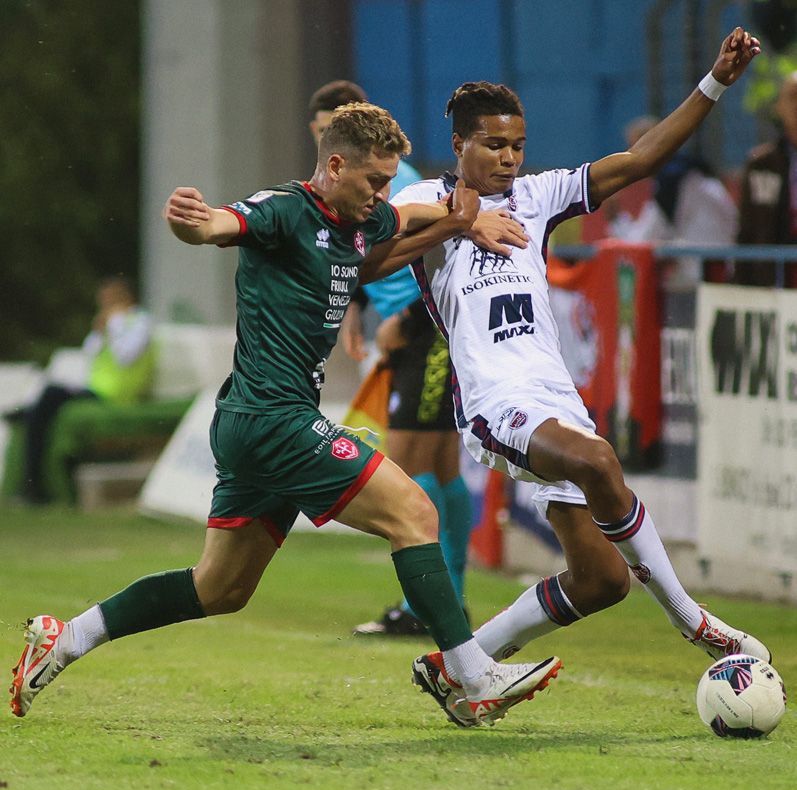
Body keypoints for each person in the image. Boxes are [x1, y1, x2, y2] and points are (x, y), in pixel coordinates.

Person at [9, 101, 560, 727]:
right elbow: (220, 226)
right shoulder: (283, 209)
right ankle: (471, 674)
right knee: (415, 512)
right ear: (334, 165)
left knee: (219, 589)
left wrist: (464, 219)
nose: (383, 194)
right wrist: (192, 223)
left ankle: (68, 636)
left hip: (253, 420)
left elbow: (406, 216)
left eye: (388, 180)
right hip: (275, 418)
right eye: (374, 180)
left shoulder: (363, 216)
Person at [359, 28, 771, 728]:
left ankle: (457, 664)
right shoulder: (428, 199)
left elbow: (640, 159)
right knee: (599, 461)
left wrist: (715, 82)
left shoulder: (539, 195)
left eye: (516, 144)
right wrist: (458, 225)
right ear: (458, 144)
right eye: (493, 145)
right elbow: (369, 261)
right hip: (495, 403)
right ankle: (695, 622)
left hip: (554, 399)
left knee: (601, 578)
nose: (509, 158)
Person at [307, 82, 526, 636]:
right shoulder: (353, 182)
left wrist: (404, 318)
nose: (323, 142)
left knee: (408, 464)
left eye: (329, 128)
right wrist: (358, 304)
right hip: (414, 329)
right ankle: (450, 599)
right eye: (317, 131)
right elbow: (359, 244)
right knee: (442, 467)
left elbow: (429, 230)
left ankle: (430, 606)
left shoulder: (394, 179)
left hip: (425, 328)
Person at [5, 276, 155, 504]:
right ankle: (31, 478)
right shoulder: (110, 324)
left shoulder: (141, 322)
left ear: (124, 298)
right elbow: (90, 352)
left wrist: (114, 325)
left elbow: (126, 357)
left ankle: (33, 484)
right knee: (50, 396)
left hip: (118, 396)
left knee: (50, 396)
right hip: (95, 390)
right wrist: (99, 331)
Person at [606, 115, 738, 286]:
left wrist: (614, 218)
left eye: (633, 149)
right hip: (726, 267)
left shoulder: (670, 183)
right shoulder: (695, 172)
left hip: (703, 275)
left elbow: (640, 242)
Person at [736, 69, 797, 287]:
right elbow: (748, 229)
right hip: (774, 278)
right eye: (792, 96)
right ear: (778, 107)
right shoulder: (762, 163)